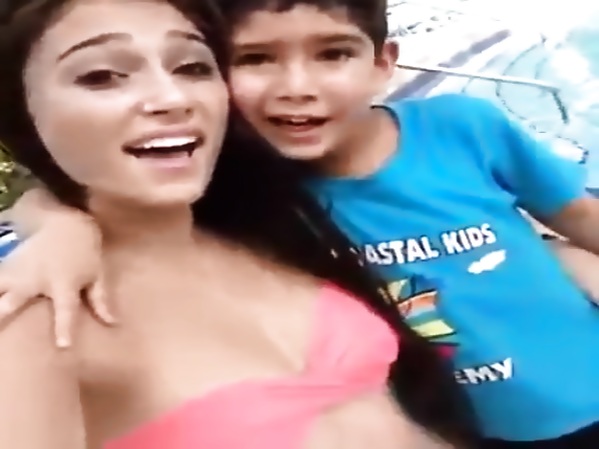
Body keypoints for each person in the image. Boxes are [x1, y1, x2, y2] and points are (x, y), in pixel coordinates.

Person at [3, 0, 599, 447]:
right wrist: (56, 224)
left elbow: (566, 221)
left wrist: (561, 256)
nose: (298, 88)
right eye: (255, 59)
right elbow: (91, 184)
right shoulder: (44, 311)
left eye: (190, 67)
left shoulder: (450, 132)